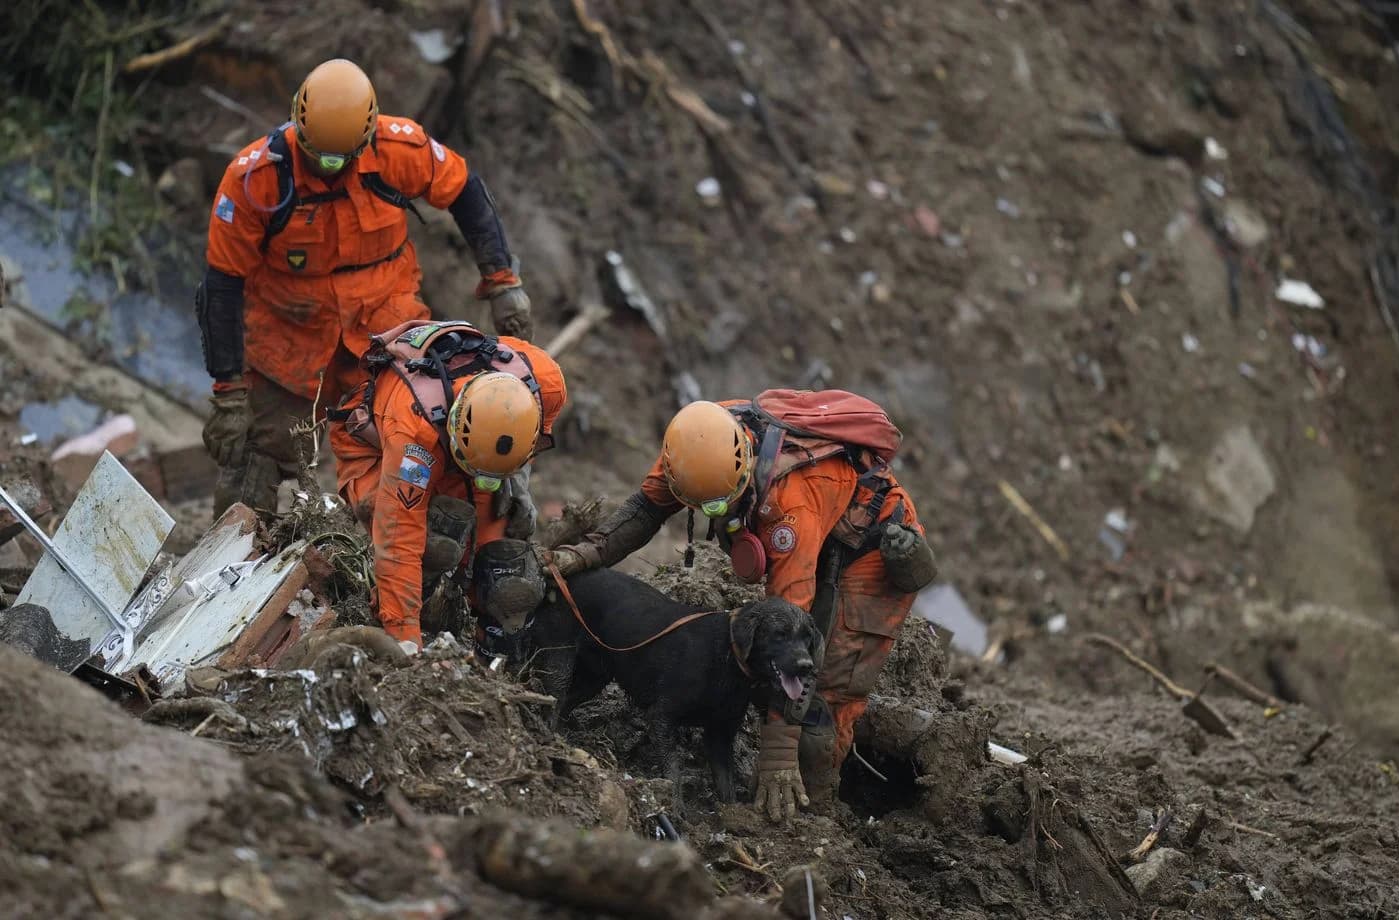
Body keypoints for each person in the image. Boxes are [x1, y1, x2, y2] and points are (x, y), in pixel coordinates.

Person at [549, 390, 937, 821]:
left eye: (718, 505)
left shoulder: (791, 498)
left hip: (873, 549)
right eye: (698, 506)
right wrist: (581, 556)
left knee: (824, 689)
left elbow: (791, 618)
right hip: (820, 526)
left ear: (744, 470)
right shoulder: (695, 448)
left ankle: (815, 815)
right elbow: (644, 511)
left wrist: (777, 755)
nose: (711, 513)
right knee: (761, 667)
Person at [196, 57, 533, 517]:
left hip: (387, 334)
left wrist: (502, 282)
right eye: (318, 156)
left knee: (417, 438)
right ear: (298, 123)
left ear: (366, 138)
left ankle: (416, 546)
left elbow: (466, 193)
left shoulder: (399, 150)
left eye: (340, 159)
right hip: (289, 339)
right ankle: (228, 567)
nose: (328, 168)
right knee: (255, 459)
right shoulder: (255, 180)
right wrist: (228, 392)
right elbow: (221, 285)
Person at [329, 320, 566, 649]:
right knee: (437, 540)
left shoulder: (546, 384)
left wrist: (517, 479)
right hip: (376, 451)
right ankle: (411, 615)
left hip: (468, 457)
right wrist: (404, 643)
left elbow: (534, 436)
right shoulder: (414, 438)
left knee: (504, 575)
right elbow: (398, 542)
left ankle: (488, 650)